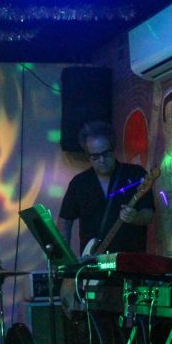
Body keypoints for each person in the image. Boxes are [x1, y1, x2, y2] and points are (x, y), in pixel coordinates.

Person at [58, 120, 155, 311]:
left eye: (106, 154)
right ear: (87, 155)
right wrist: (67, 265)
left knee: (129, 324)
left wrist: (135, 217)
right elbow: (65, 220)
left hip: (129, 268)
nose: (101, 160)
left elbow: (149, 215)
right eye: (94, 156)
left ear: (113, 148)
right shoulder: (79, 183)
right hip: (93, 267)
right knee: (94, 324)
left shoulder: (135, 175)